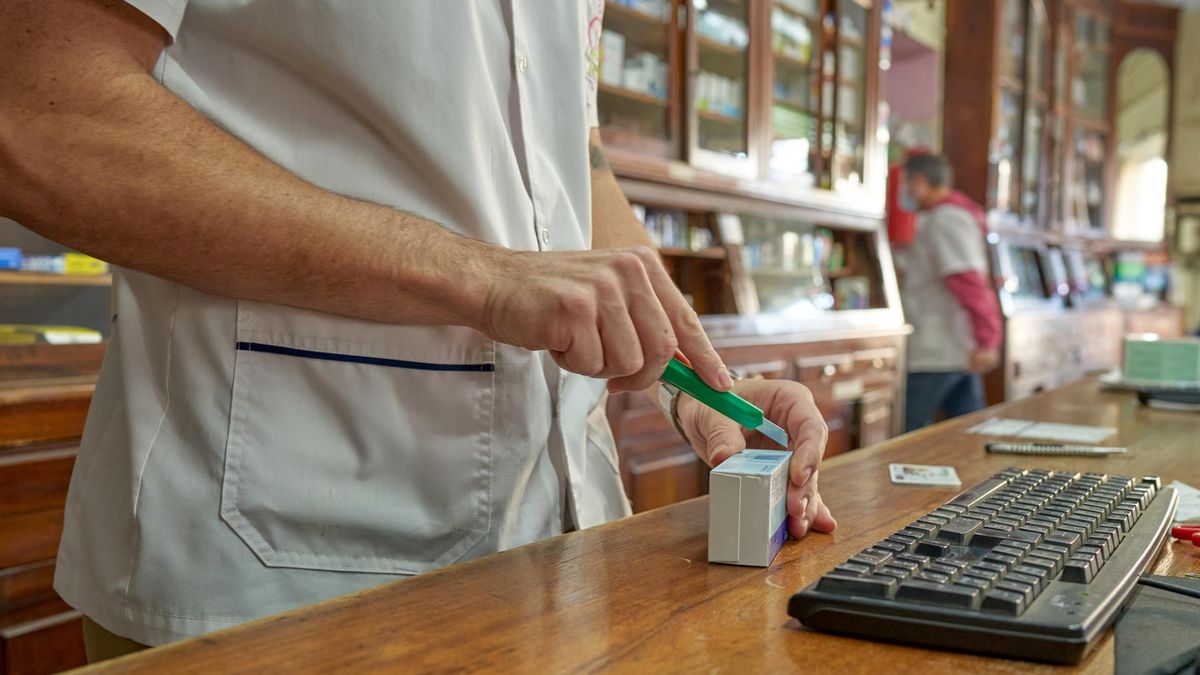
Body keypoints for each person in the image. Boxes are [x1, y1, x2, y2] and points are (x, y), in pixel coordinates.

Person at [0, 0, 837, 659]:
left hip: (566, 560)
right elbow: (35, 109)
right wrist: (481, 275)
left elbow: (572, 164)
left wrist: (700, 385)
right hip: (269, 582)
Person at [895, 153, 1003, 432]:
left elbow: (969, 283)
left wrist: (988, 338)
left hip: (938, 350)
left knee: (909, 438)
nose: (905, 192)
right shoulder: (941, 216)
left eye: (906, 183)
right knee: (967, 434)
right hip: (950, 347)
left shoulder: (946, 219)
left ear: (920, 182)